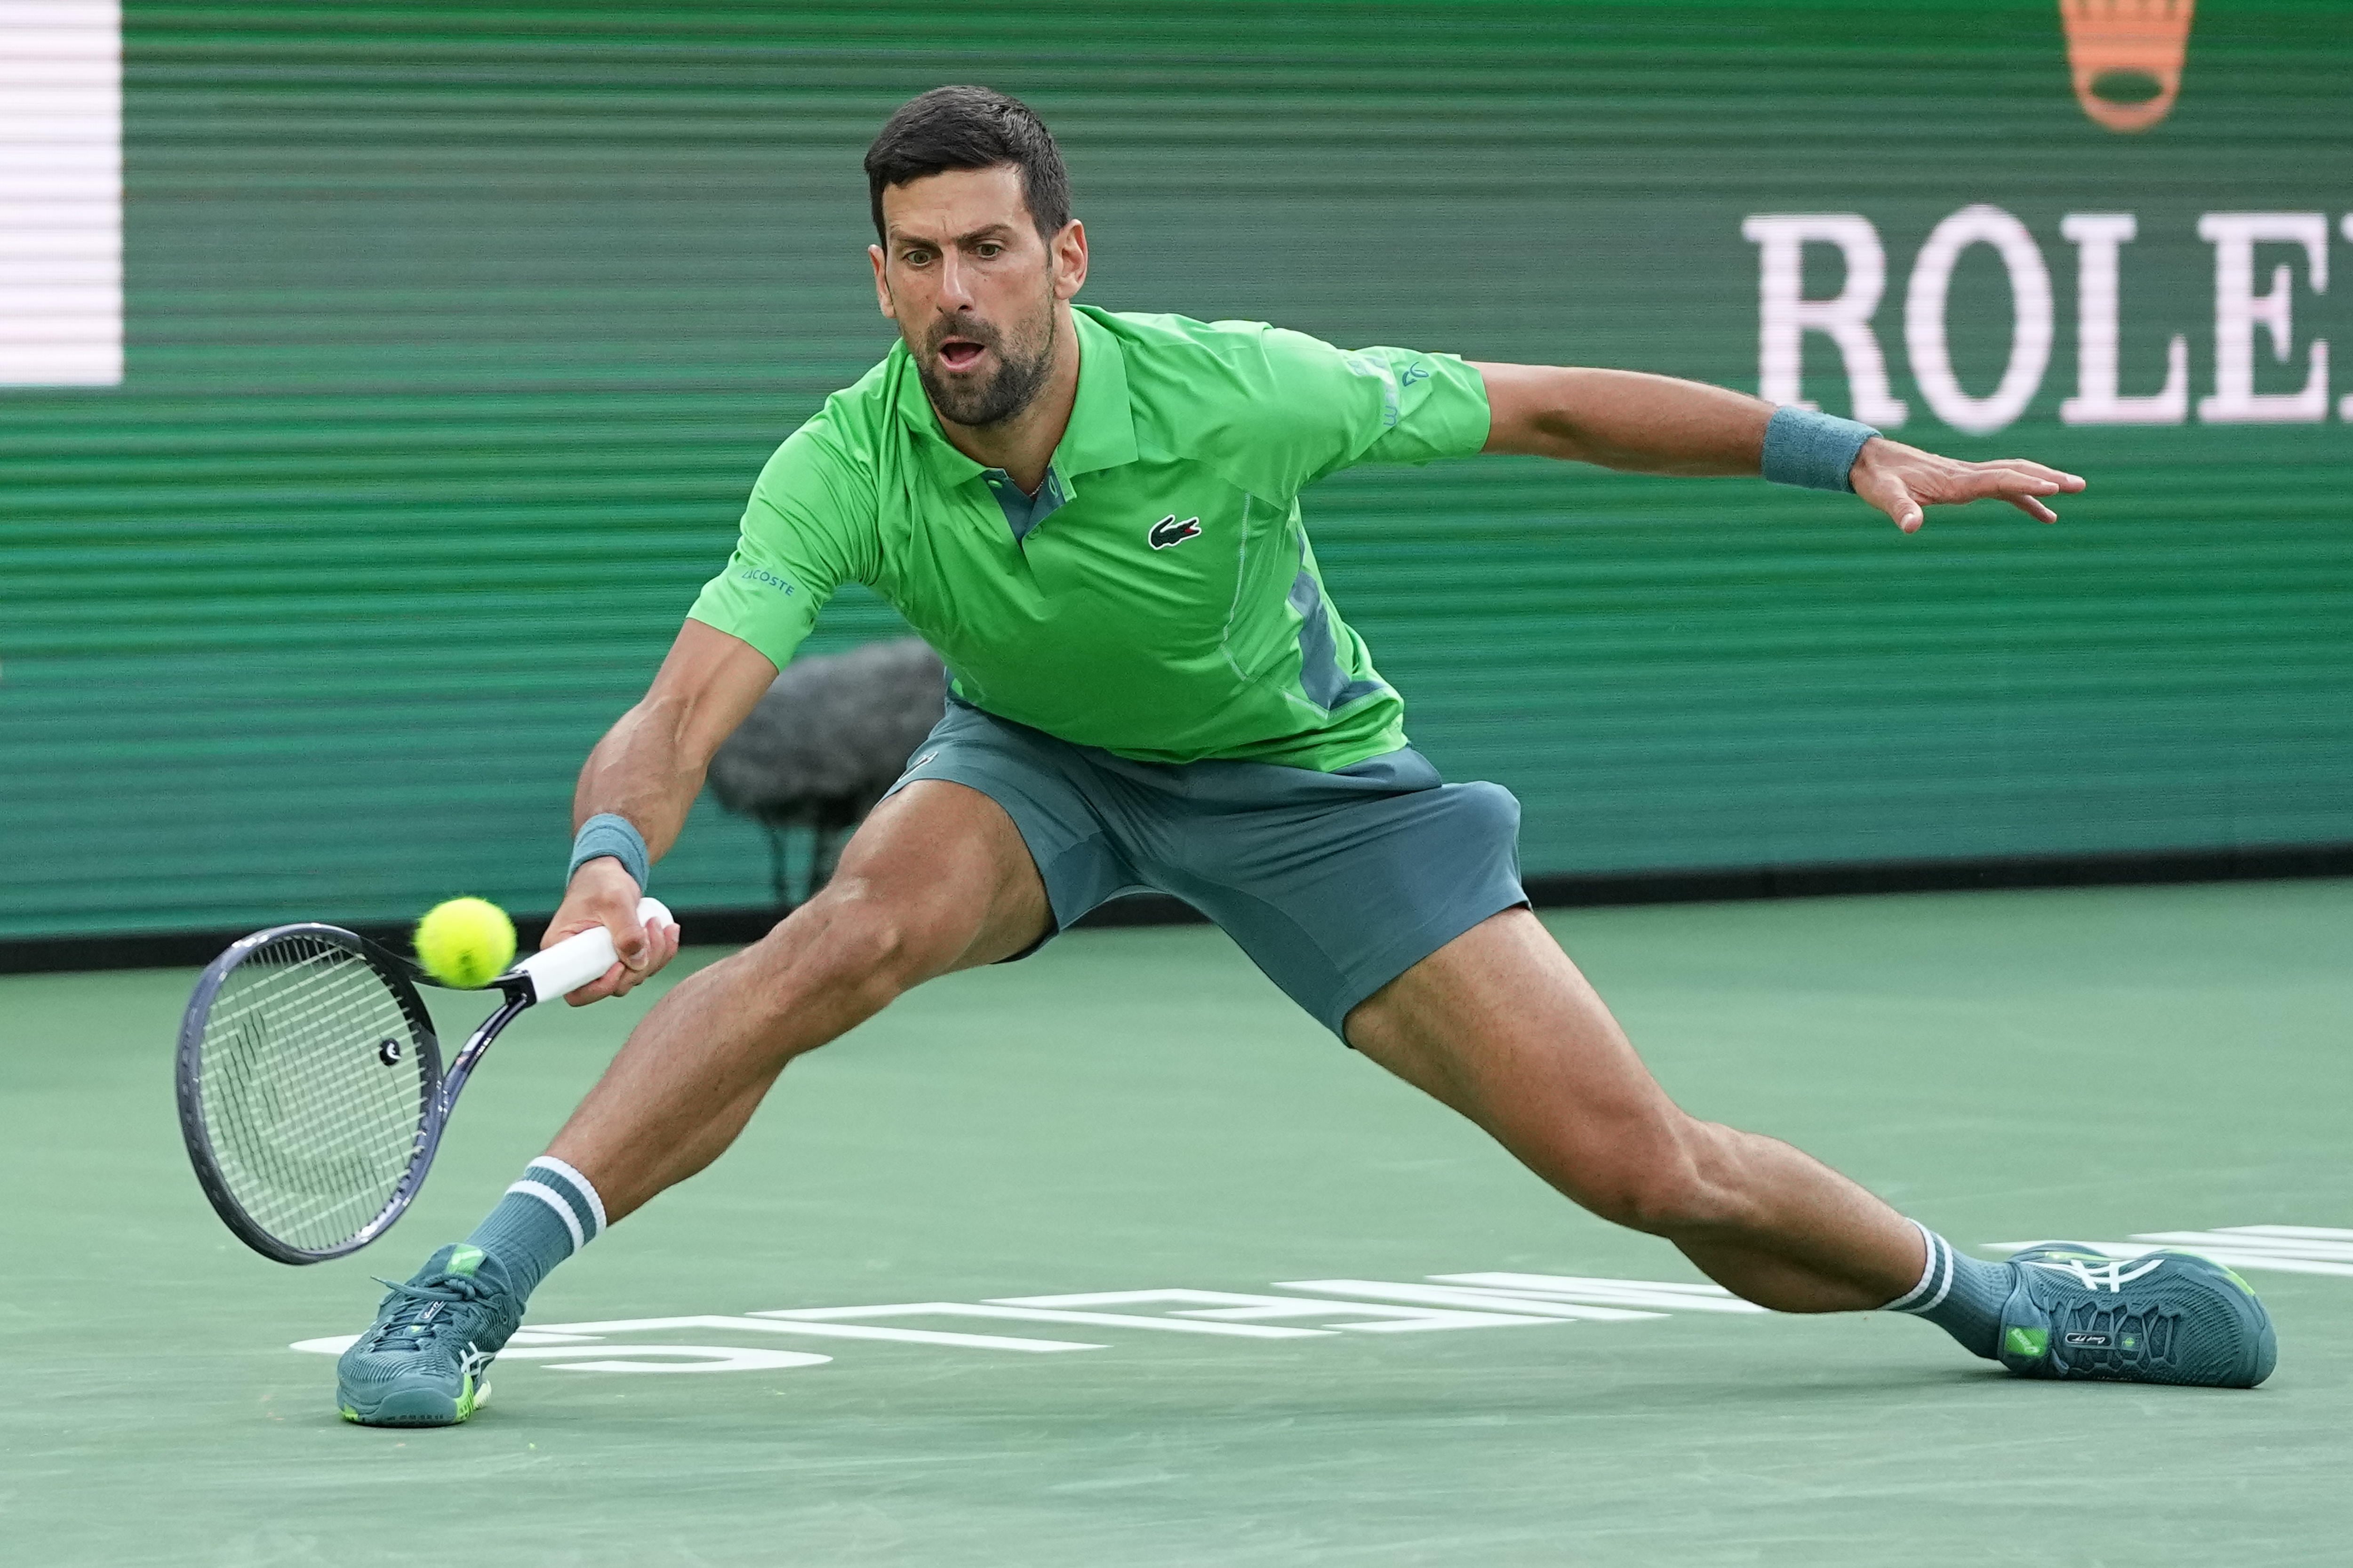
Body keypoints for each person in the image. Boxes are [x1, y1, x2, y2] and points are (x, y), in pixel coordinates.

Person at [333, 86, 2275, 1427]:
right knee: (841, 932)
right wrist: (606, 850)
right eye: (915, 257)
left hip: (1307, 786)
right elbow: (688, 704)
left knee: (1640, 1166)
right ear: (876, 279)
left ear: (1062, 256)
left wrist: (1837, 446)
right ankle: (471, 1283)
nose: (952, 292)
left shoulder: (1239, 392)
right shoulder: (843, 451)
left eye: (988, 249)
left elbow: (1548, 412)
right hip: (1037, 762)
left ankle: (2005, 1293)